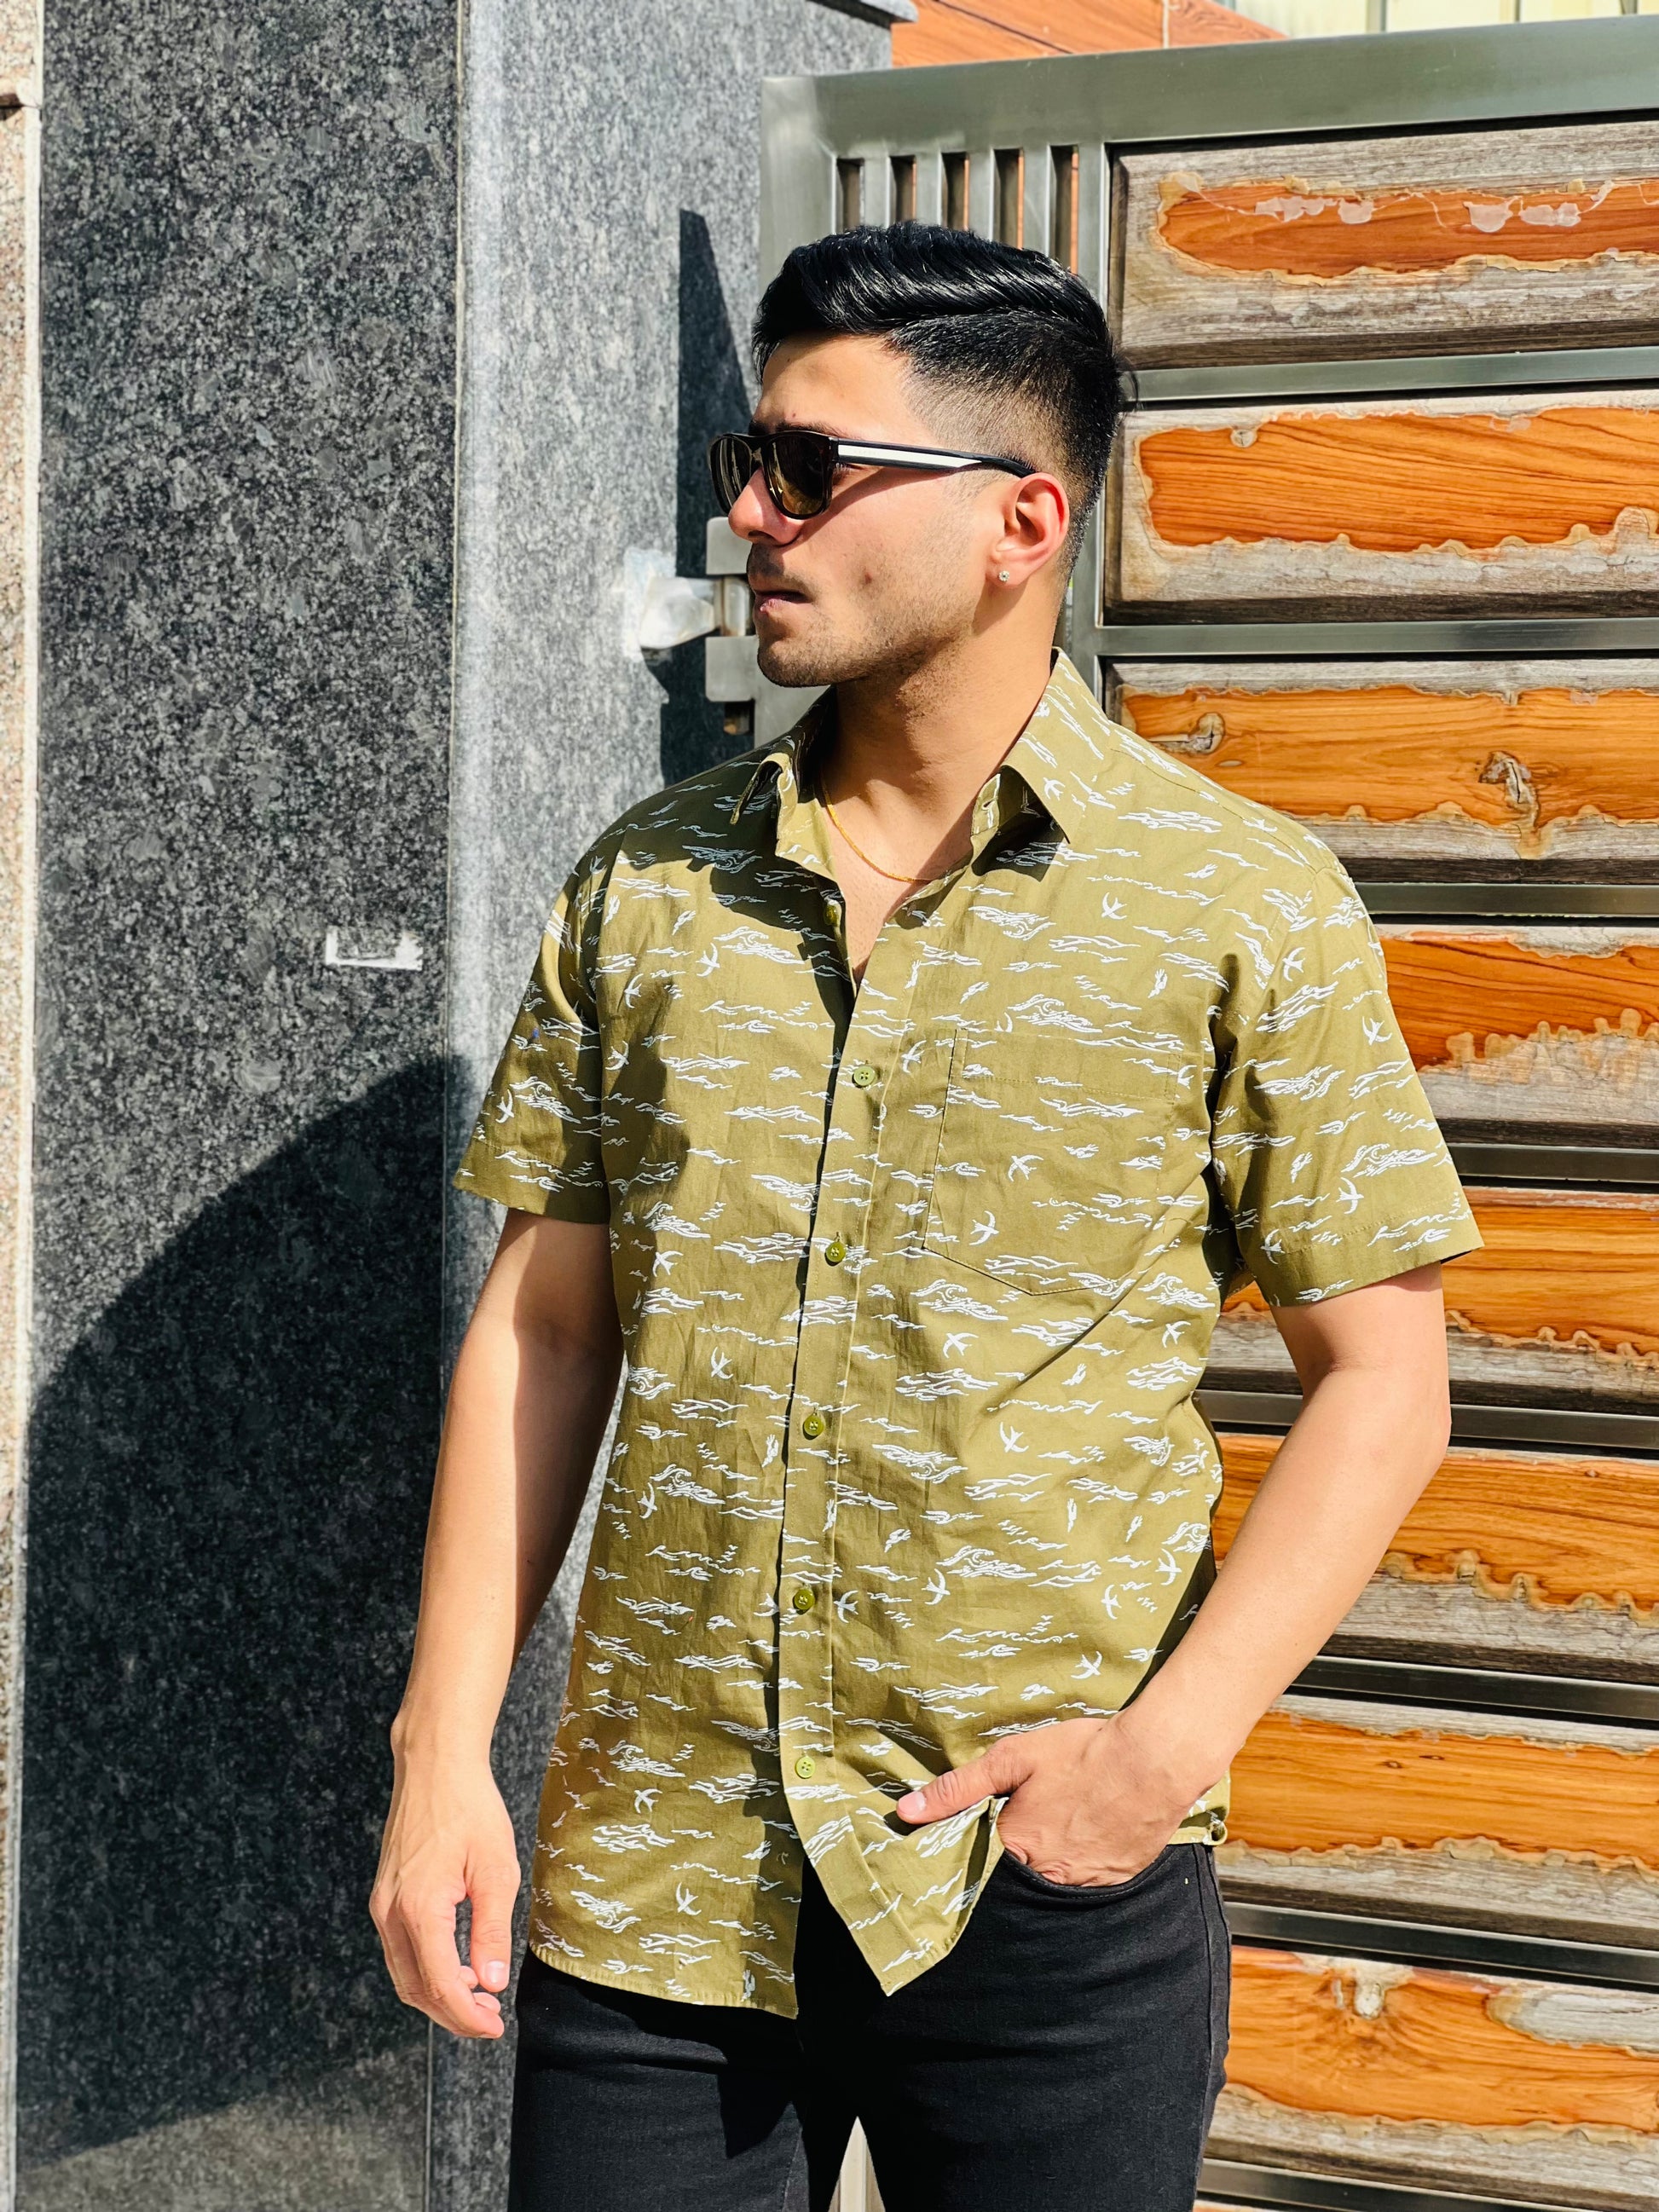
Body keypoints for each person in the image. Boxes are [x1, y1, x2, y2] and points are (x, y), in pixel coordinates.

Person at [371, 222, 1480, 2212]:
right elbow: (543, 1328)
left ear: (1018, 520)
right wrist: (441, 1753)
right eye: (747, 457)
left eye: (810, 467)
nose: (748, 513)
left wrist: (1153, 1759)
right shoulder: (649, 887)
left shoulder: (1234, 903)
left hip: (1034, 1882)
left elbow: (1384, 1379)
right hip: (663, 1882)